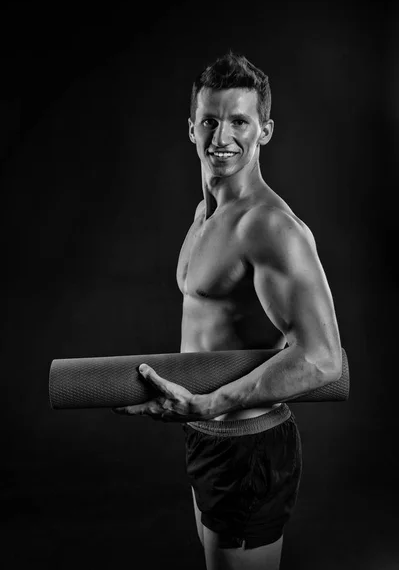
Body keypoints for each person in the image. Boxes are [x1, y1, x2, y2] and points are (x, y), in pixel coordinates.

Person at [114, 52, 342, 569]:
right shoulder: (207, 214)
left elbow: (324, 356)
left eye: (239, 121)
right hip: (206, 434)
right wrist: (198, 410)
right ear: (191, 126)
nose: (221, 137)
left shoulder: (268, 226)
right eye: (210, 121)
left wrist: (212, 403)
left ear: (264, 131)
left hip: (248, 446)